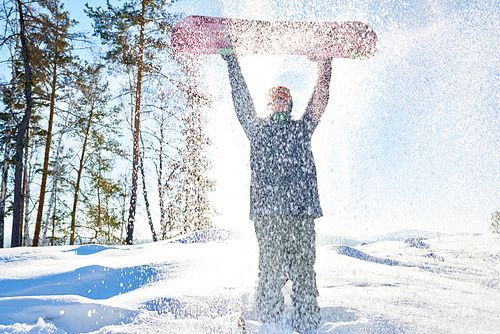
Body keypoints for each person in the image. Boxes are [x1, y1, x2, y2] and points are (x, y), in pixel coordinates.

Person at [221, 52, 332, 333]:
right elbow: (242, 101)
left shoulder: (302, 129)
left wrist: (326, 65)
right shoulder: (258, 130)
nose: (280, 103)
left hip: (301, 213)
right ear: (269, 105)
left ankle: (308, 327)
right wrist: (232, 61)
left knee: (304, 273)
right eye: (275, 100)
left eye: (284, 99)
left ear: (290, 104)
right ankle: (270, 326)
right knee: (270, 273)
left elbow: (319, 102)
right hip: (268, 214)